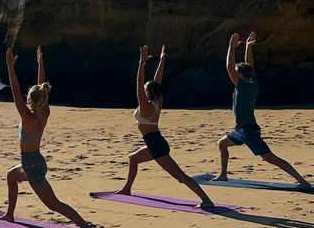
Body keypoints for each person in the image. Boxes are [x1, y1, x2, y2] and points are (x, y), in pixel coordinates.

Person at [0, 47, 95, 228]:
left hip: (32, 165)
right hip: (35, 161)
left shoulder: (27, 117)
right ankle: (10, 214)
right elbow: (42, 87)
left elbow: (15, 90)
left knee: (53, 204)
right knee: (11, 176)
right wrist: (40, 63)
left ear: (30, 99)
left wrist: (10, 67)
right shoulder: (44, 112)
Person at [115, 46, 215, 208]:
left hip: (156, 146)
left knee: (180, 177)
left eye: (146, 89)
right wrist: (162, 61)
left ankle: (207, 200)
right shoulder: (157, 101)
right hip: (155, 142)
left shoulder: (145, 106)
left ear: (147, 92)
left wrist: (142, 62)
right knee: (133, 159)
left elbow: (139, 82)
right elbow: (157, 81)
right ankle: (127, 189)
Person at [213, 32, 310, 189]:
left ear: (239, 76)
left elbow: (229, 67)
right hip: (241, 129)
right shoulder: (253, 82)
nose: (234, 75)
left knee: (269, 157)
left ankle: (302, 181)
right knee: (222, 144)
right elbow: (249, 65)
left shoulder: (243, 87)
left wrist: (231, 47)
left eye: (236, 73)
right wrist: (248, 47)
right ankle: (223, 175)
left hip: (247, 130)